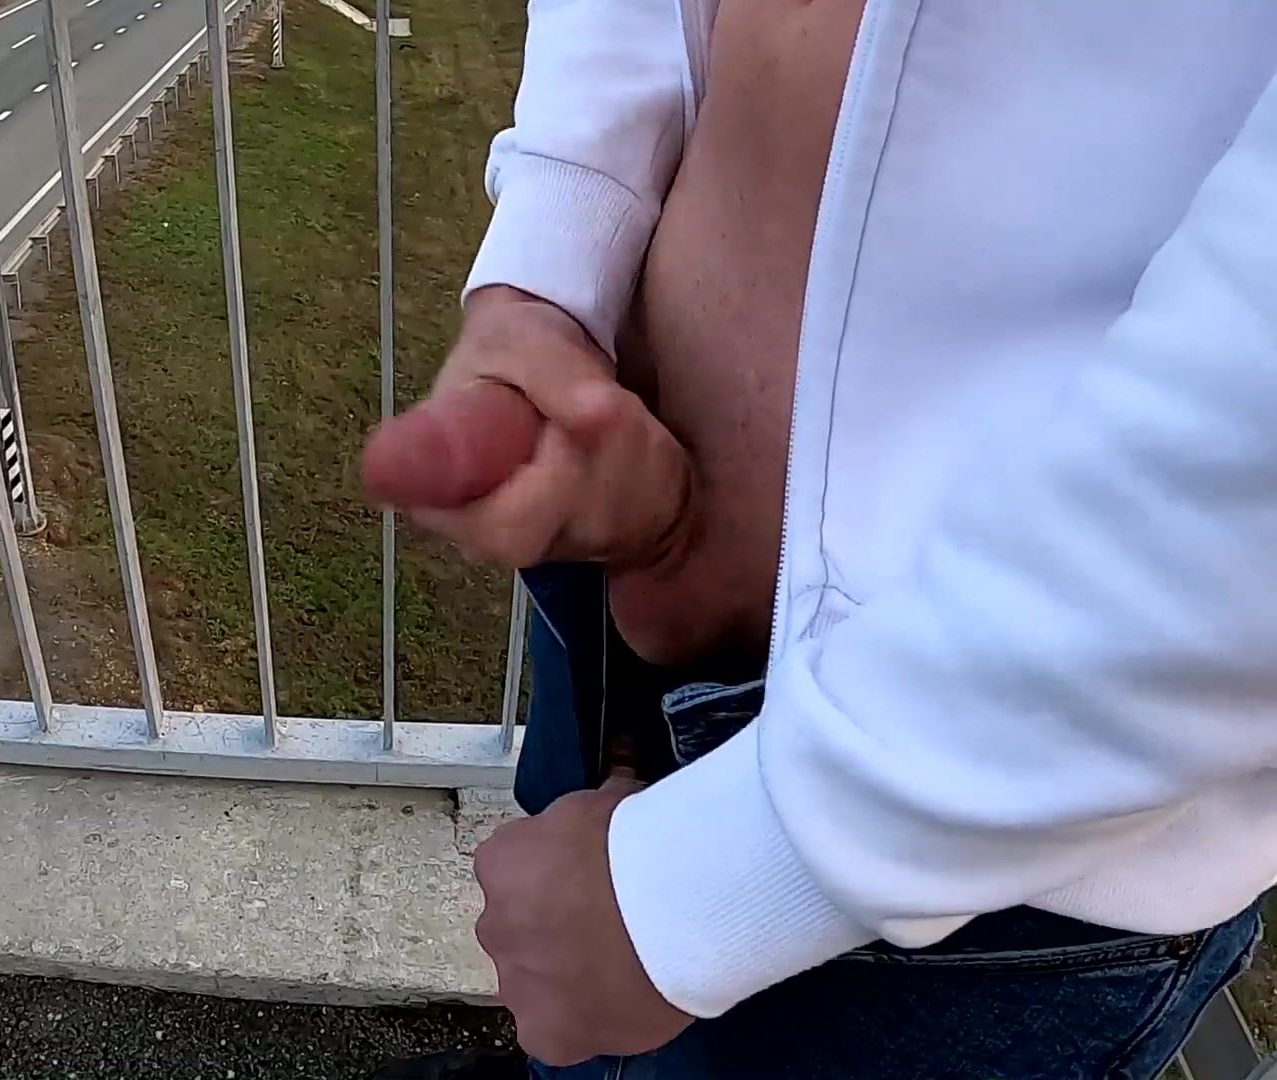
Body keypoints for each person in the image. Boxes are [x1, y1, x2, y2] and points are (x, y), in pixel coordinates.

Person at [363, 1, 1277, 1077]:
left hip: (995, 800)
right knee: (572, 1024)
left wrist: (743, 876)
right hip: (611, 539)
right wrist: (555, 266)